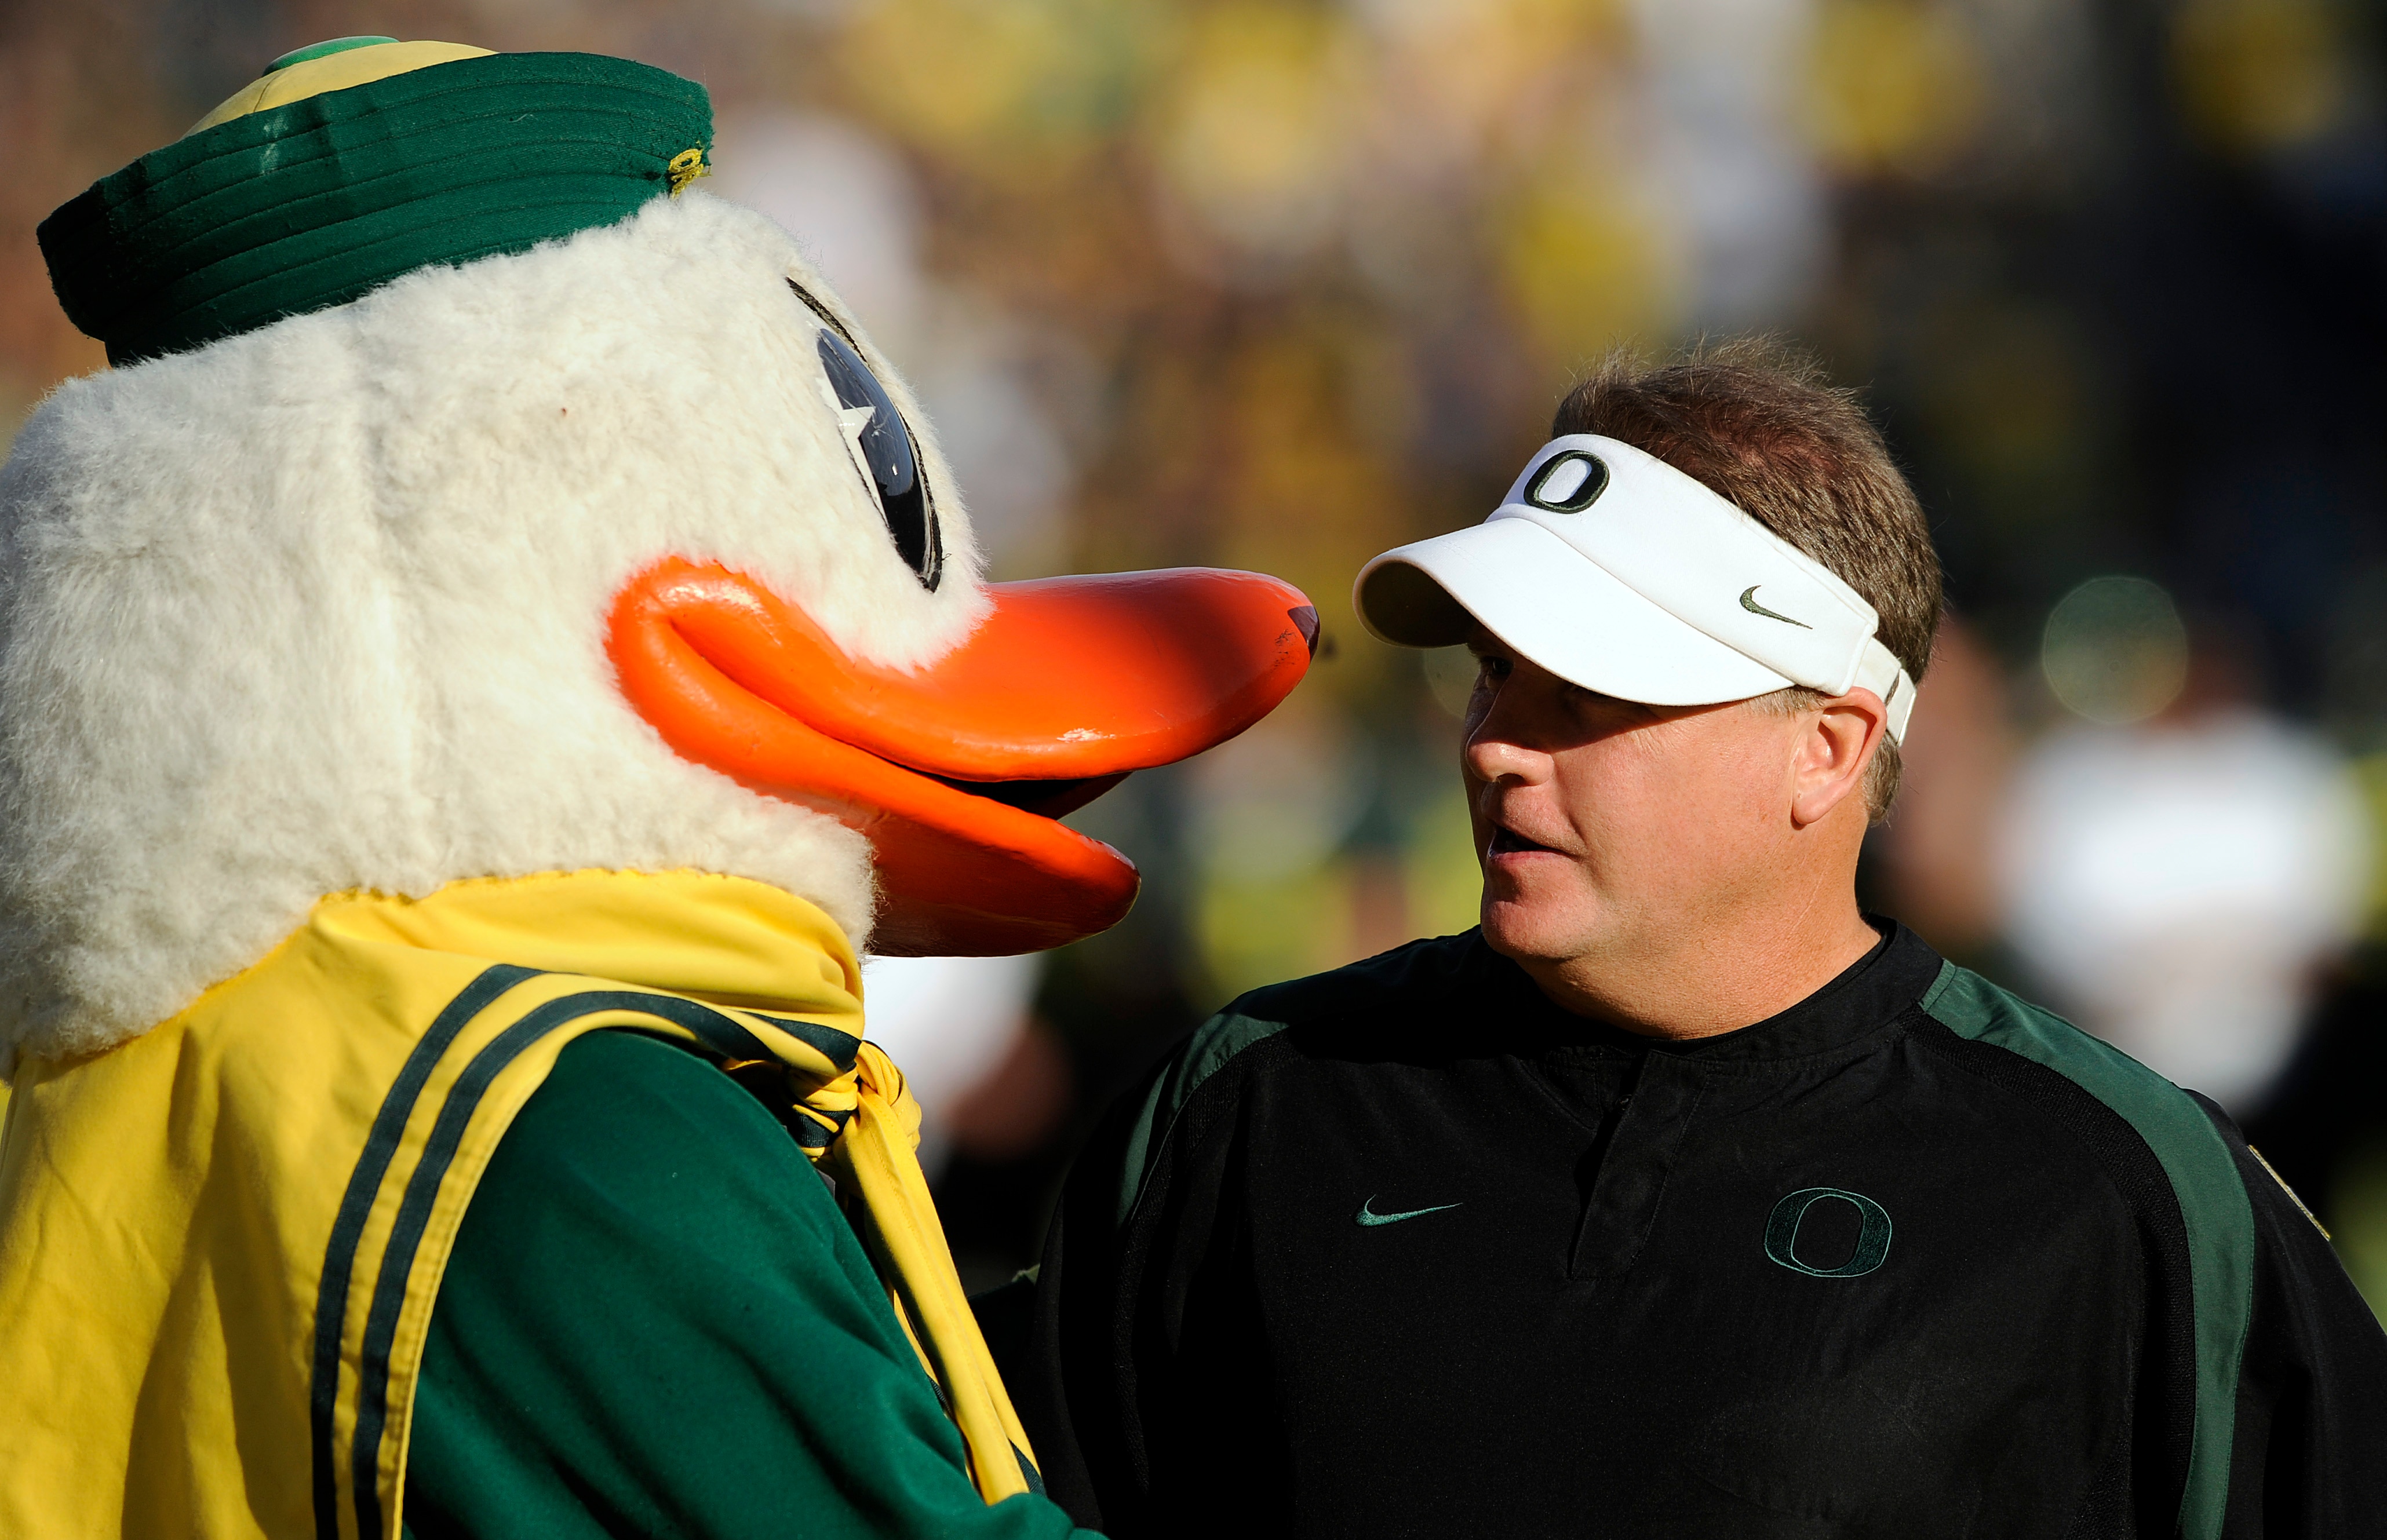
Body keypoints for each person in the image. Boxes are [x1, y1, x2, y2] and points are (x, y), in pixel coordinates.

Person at [1009, 341, 2387, 1538]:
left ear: (1826, 750)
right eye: (1493, 672)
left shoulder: (2118, 1191)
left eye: (1589, 692)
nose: (1493, 747)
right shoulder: (1249, 1105)